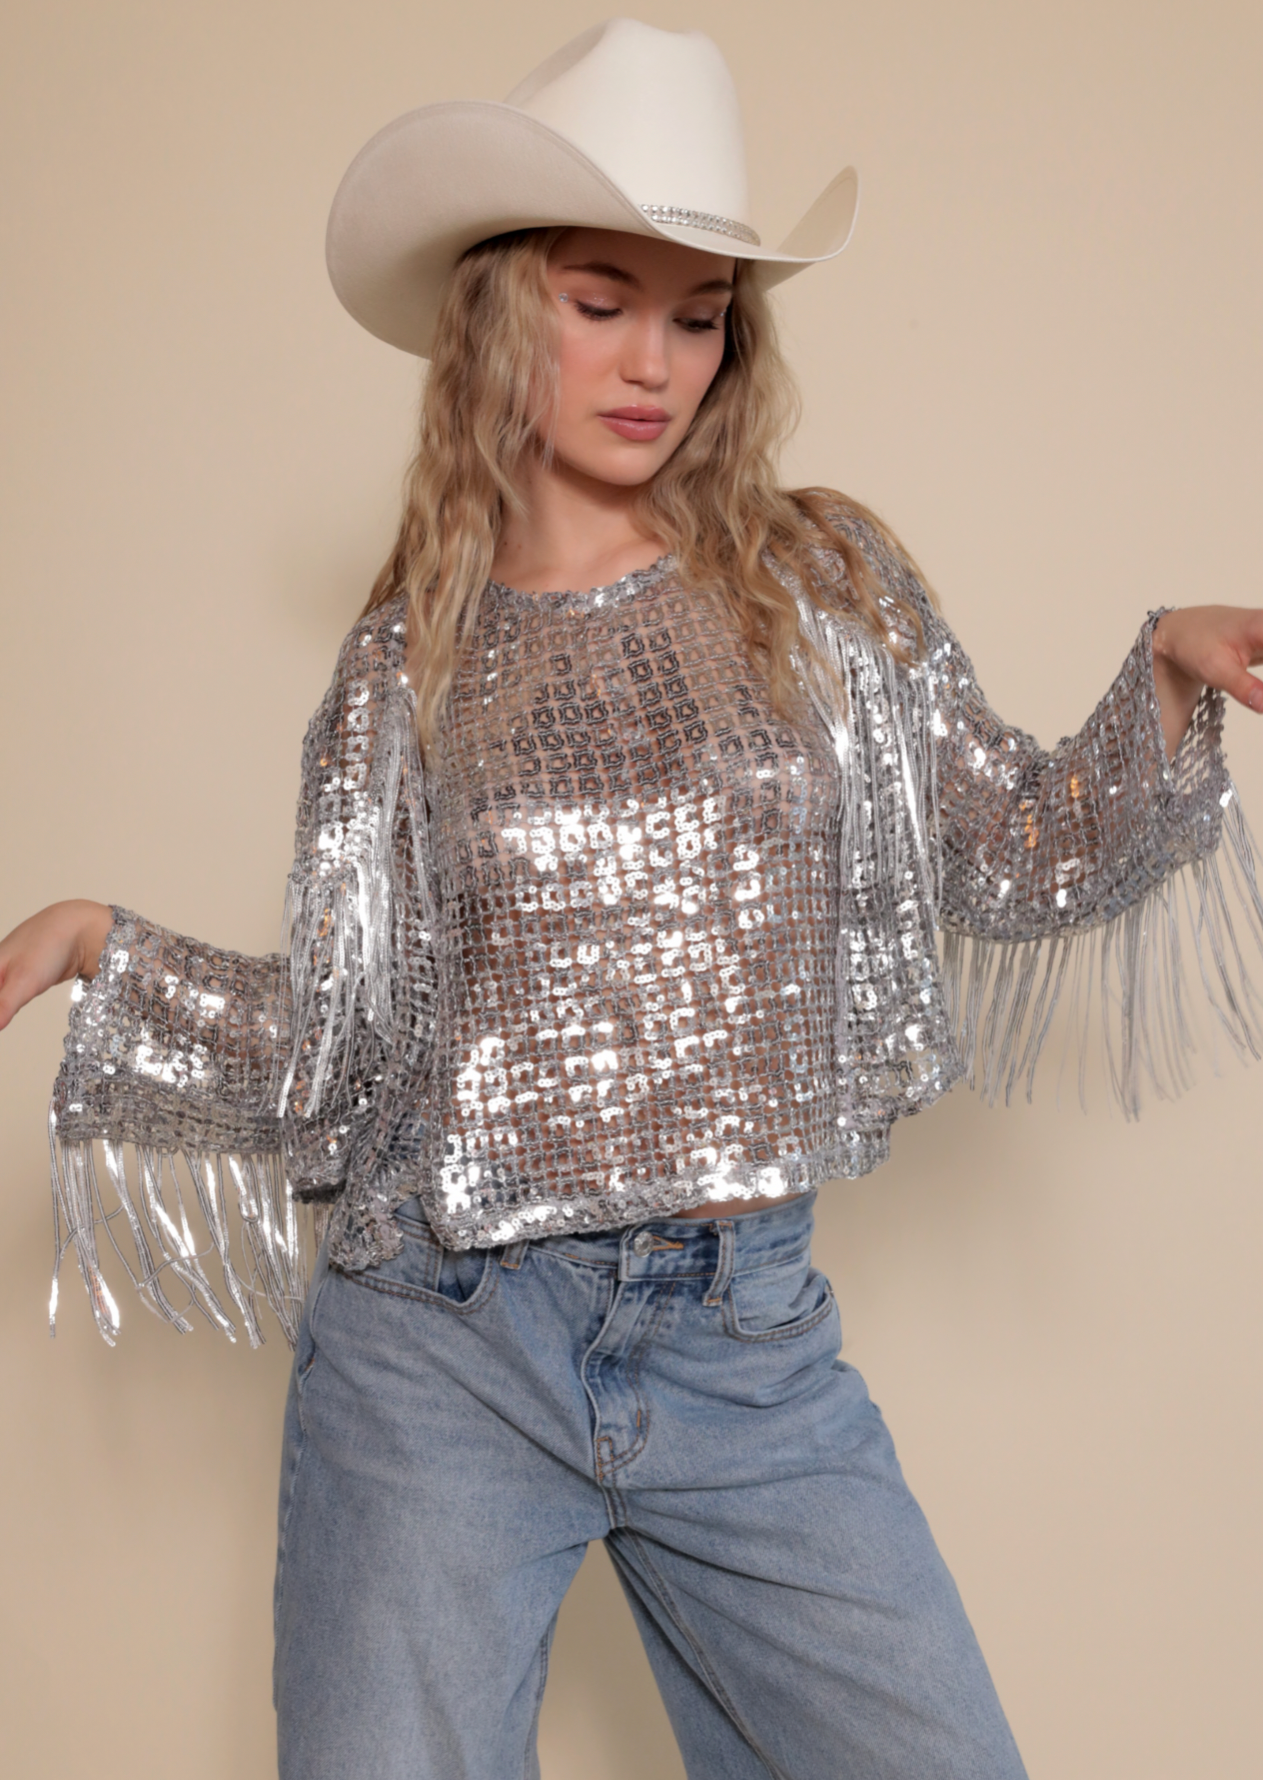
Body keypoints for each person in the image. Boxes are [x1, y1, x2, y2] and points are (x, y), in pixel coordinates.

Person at [2, 18, 1262, 1779]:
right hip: (441, 1348)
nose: (652, 361)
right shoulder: (404, 668)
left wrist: (1164, 684)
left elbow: (1003, 842)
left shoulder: (820, 581)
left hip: (742, 1336)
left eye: (697, 312)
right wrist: (104, 955)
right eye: (602, 300)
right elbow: (357, 1044)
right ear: (501, 307)